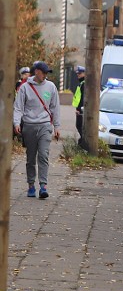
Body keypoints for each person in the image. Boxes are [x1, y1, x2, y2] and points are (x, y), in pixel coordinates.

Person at [13, 61, 61, 199]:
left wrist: (57, 127)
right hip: (29, 126)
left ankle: (43, 186)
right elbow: (18, 107)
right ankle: (31, 185)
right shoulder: (25, 88)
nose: (45, 75)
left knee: (43, 155)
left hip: (45, 125)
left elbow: (55, 108)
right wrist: (17, 123)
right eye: (43, 72)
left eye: (47, 73)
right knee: (31, 158)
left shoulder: (51, 87)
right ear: (37, 72)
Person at [72, 65, 86, 148]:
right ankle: (82, 142)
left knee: (79, 125)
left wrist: (79, 109)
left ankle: (83, 143)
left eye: (80, 74)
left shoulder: (84, 84)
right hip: (80, 109)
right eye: (77, 74)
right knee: (79, 126)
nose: (78, 75)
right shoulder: (81, 83)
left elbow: (83, 98)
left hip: (81, 110)